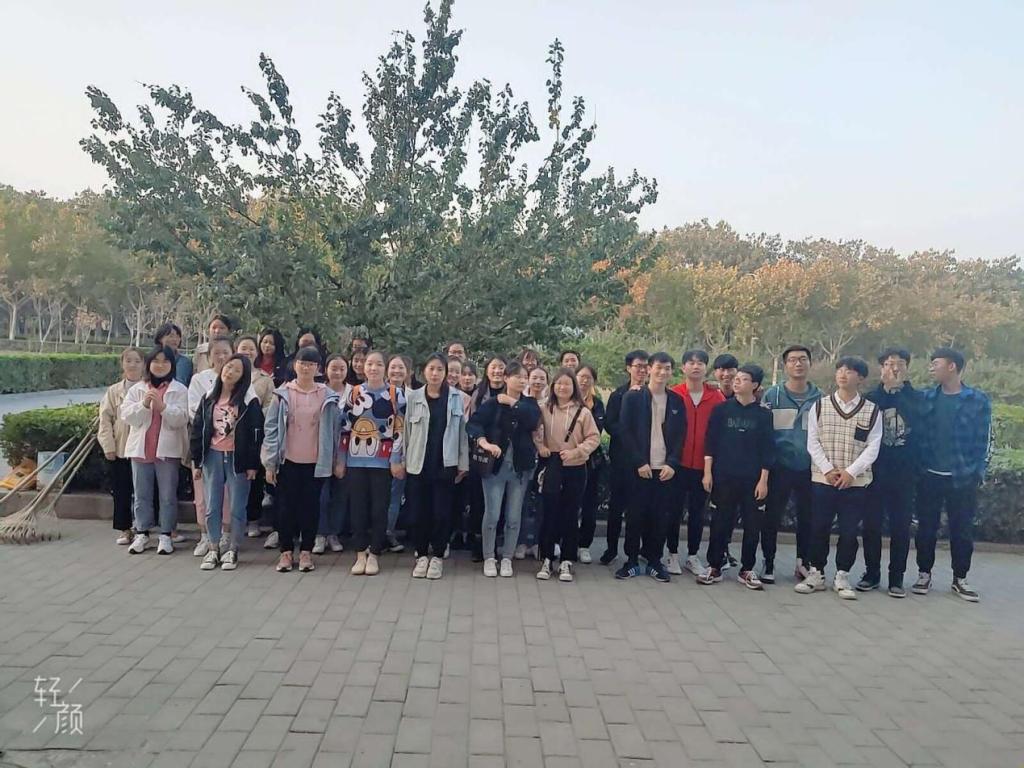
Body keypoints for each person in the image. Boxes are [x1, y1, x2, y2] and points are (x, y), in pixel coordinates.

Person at [795, 357, 882, 600]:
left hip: (856, 482)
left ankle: (842, 575)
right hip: (823, 479)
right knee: (818, 527)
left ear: (861, 378)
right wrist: (827, 469)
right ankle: (816, 573)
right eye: (840, 370)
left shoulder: (872, 410)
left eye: (850, 371)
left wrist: (850, 472)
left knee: (849, 531)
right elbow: (812, 442)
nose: (843, 375)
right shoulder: (819, 406)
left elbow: (873, 446)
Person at [912, 348, 991, 602]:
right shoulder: (926, 398)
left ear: (952, 366)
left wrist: (977, 471)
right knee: (926, 528)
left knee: (962, 530)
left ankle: (960, 578)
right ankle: (924, 574)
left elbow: (984, 440)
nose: (931, 368)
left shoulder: (977, 400)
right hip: (929, 474)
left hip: (962, 476)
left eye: (935, 363)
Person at [263, 346, 343, 573]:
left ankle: (306, 551)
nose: (306, 368)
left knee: (311, 508)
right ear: (295, 365)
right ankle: (286, 552)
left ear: (318, 368)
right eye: (302, 363)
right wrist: (270, 462)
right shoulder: (282, 394)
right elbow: (271, 429)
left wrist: (336, 460)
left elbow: (335, 431)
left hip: (316, 462)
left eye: (311, 364)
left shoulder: (328, 395)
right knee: (285, 508)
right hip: (287, 461)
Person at [699, 364, 775, 589]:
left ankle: (747, 569)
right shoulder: (721, 410)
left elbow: (768, 449)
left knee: (752, 525)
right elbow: (710, 442)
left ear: (755, 385)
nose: (737, 382)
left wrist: (763, 480)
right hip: (723, 476)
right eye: (737, 379)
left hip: (752, 479)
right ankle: (714, 565)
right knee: (719, 522)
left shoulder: (763, 414)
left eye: (743, 379)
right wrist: (707, 472)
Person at [467, 361, 542, 578]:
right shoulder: (493, 403)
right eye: (518, 376)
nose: (522, 380)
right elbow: (473, 424)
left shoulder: (529, 403)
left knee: (514, 516)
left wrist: (511, 402)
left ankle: (507, 557)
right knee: (492, 514)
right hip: (495, 468)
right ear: (507, 378)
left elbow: (533, 421)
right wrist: (484, 442)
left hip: (520, 469)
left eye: (524, 377)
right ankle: (489, 556)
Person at [615, 352, 685, 583]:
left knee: (660, 517)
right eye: (658, 368)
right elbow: (625, 431)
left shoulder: (676, 401)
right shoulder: (633, 397)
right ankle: (631, 561)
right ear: (649, 370)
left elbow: (680, 435)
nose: (662, 372)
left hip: (664, 469)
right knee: (635, 516)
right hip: (640, 468)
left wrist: (672, 463)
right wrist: (639, 461)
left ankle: (655, 561)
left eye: (667, 368)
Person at [190, 354, 264, 571]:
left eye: (237, 370)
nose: (230, 372)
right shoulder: (208, 398)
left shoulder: (249, 402)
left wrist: (253, 464)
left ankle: (233, 549)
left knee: (237, 507)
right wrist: (197, 461)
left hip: (237, 458)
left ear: (243, 377)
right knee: (212, 505)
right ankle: (213, 548)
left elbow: (256, 434)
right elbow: (198, 430)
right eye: (229, 367)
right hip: (212, 456)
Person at [338, 350, 406, 576]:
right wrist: (340, 460)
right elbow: (344, 429)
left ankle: (375, 553)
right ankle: (360, 554)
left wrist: (396, 460)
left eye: (378, 364)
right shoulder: (354, 393)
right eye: (369, 364)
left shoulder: (396, 394)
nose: (373, 368)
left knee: (379, 509)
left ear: (385, 368)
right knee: (357, 508)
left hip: (383, 462)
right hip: (355, 461)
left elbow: (399, 430)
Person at [759, 344, 822, 583]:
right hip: (779, 466)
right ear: (785, 365)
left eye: (803, 359)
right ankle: (769, 562)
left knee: (808, 518)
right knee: (772, 518)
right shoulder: (772, 396)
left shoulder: (820, 398)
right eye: (793, 360)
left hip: (809, 467)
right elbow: (764, 434)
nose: (798, 364)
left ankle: (802, 563)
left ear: (810, 364)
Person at [862, 347, 920, 597]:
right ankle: (871, 573)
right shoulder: (871, 397)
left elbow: (916, 419)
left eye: (900, 364)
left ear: (907, 368)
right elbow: (865, 427)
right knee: (871, 525)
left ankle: (897, 578)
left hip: (904, 473)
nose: (894, 369)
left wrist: (899, 391)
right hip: (875, 472)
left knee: (900, 527)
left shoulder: (916, 398)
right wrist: (887, 391)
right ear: (881, 368)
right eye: (889, 364)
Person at [406, 353, 470, 579]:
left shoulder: (456, 398)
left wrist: (463, 462)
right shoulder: (414, 397)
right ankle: (422, 555)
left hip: (445, 464)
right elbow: (406, 432)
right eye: (431, 369)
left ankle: (438, 556)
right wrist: (402, 460)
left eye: (439, 369)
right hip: (418, 463)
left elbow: (462, 433)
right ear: (424, 371)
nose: (435, 373)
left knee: (441, 514)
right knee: (418, 513)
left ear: (446, 373)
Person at [121, 345, 190, 555]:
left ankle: (166, 534)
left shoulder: (179, 389)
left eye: (165, 361)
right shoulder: (138, 389)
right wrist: (143, 405)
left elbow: (182, 419)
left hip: (167, 452)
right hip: (141, 450)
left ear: (172, 365)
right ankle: (142, 532)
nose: (160, 365)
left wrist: (163, 407)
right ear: (149, 364)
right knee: (141, 495)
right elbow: (127, 416)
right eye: (156, 361)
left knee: (167, 495)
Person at [535, 368, 600, 582]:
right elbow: (534, 431)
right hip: (552, 465)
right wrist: (541, 446)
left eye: (567, 384)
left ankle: (567, 560)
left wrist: (576, 452)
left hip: (576, 466)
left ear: (574, 387)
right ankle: (546, 558)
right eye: (559, 383)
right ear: (553, 386)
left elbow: (594, 438)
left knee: (570, 514)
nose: (563, 387)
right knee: (549, 513)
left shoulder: (583, 412)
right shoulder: (544, 408)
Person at [667, 349, 726, 576]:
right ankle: (672, 554)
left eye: (700, 363)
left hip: (704, 466)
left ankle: (692, 555)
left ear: (706, 368)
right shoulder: (674, 394)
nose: (695, 366)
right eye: (691, 363)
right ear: (683, 367)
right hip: (677, 463)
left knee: (698, 513)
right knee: (673, 511)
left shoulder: (716, 398)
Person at [188, 336, 235, 558]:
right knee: (203, 494)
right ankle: (205, 535)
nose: (221, 357)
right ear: (209, 357)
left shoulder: (240, 379)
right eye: (217, 353)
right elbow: (194, 410)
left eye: (226, 352)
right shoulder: (199, 380)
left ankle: (226, 534)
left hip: (231, 446)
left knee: (227, 494)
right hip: (206, 445)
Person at [600, 350, 648, 565]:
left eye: (646, 366)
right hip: (621, 459)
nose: (642, 370)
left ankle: (635, 551)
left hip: (644, 460)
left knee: (639, 508)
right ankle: (611, 549)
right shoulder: (618, 394)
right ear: (629, 368)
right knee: (616, 507)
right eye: (638, 366)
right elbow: (610, 424)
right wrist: (629, 436)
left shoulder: (652, 394)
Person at [99, 347, 145, 545]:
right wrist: (108, 446)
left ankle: (143, 527)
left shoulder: (148, 388)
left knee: (143, 492)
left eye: (137, 361)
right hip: (121, 449)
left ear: (144, 365)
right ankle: (125, 529)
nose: (132, 365)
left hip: (142, 449)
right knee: (121, 491)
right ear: (122, 364)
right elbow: (105, 420)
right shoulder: (114, 391)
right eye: (128, 361)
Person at [235, 335, 274, 539]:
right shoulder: (228, 374)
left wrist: (254, 417)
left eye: (251, 349)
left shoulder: (264, 379)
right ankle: (234, 521)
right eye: (243, 348)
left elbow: (270, 406)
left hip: (255, 434)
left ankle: (253, 520)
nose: (247, 352)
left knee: (255, 479)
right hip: (230, 435)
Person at [312, 354, 352, 555]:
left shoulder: (355, 393)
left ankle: (333, 533)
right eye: (333, 368)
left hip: (346, 452)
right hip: (320, 451)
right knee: (322, 496)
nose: (337, 372)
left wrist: (341, 458)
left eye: (342, 368)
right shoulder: (319, 391)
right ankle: (320, 534)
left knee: (340, 495)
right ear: (325, 369)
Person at [515, 365, 550, 559]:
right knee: (521, 501)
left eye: (542, 378)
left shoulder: (551, 403)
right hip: (524, 458)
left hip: (546, 459)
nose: (537, 381)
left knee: (542, 503)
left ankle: (537, 542)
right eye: (534, 377)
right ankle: (520, 542)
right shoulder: (522, 401)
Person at [574, 364, 606, 565]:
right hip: (569, 460)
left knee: (589, 505)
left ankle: (584, 545)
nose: (584, 381)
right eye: (581, 376)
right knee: (568, 504)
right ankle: (564, 541)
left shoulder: (598, 404)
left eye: (588, 378)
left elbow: (597, 431)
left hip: (591, 461)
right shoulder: (566, 400)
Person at [384, 354, 412, 552]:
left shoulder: (413, 396)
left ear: (408, 372)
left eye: (401, 368)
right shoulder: (377, 393)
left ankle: (388, 532)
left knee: (395, 495)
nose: (397, 371)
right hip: (376, 453)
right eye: (393, 367)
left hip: (402, 454)